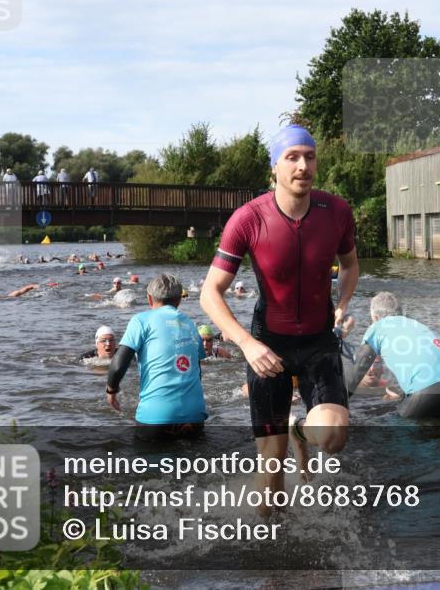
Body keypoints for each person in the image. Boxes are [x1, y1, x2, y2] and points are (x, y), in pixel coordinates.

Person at [200, 123, 358, 504]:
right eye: (292, 157)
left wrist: (342, 304)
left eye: (309, 156)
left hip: (319, 341)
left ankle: (299, 432)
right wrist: (247, 345)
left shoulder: (335, 212)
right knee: (272, 470)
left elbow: (350, 266)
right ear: (275, 167)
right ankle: (269, 550)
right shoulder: (249, 219)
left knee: (334, 437)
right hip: (268, 346)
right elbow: (210, 293)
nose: (302, 165)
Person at [107, 274, 208, 439]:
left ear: (149, 298)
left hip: (156, 417)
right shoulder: (190, 324)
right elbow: (197, 371)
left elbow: (119, 363)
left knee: (147, 463)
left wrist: (111, 390)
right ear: (179, 301)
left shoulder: (141, 320)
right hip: (195, 416)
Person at [346, 292, 440, 419]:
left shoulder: (377, 327)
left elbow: (357, 372)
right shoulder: (418, 325)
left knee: (385, 429)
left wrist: (336, 403)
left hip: (431, 392)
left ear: (376, 318)